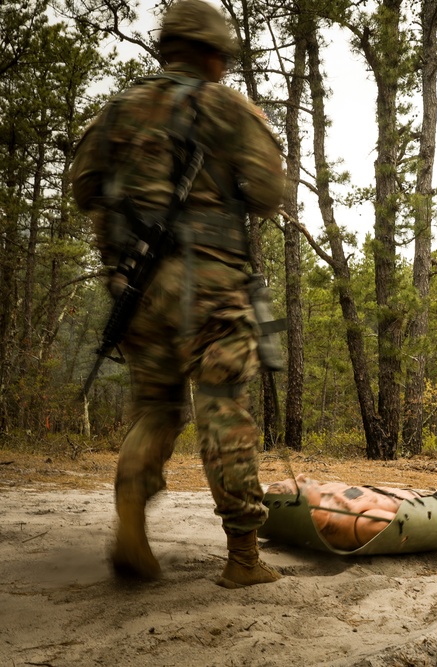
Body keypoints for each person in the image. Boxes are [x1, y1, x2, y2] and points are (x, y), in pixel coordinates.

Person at [70, 0, 285, 588]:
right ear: (213, 54)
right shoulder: (226, 106)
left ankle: (132, 529)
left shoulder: (117, 111)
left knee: (155, 410)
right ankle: (243, 556)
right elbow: (269, 191)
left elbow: (84, 189)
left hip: (137, 292)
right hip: (213, 287)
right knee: (221, 405)